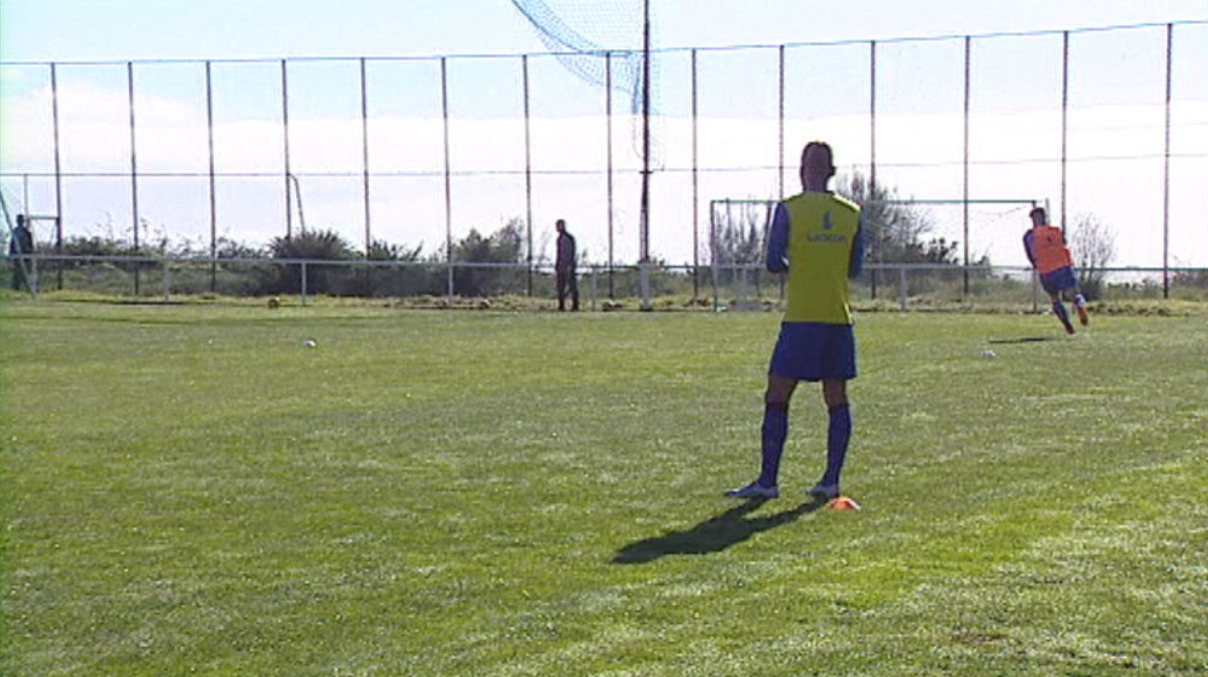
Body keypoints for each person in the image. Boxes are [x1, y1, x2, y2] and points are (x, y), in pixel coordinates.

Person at [726, 141, 865, 501]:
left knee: (777, 395)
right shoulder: (852, 212)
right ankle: (830, 480)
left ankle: (768, 482)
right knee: (836, 398)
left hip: (802, 318)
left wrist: (799, 263)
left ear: (802, 170)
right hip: (838, 318)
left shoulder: (789, 210)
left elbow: (773, 261)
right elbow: (855, 268)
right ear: (833, 171)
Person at [1023, 206, 1089, 335]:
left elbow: (1030, 254)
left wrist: (1036, 264)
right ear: (1045, 218)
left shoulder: (1029, 236)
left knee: (1055, 299)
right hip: (1063, 267)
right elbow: (1064, 243)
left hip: (1046, 271)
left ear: (1033, 220)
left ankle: (1068, 325)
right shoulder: (1056, 231)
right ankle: (1080, 304)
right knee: (1073, 294)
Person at [554, 218, 579, 312]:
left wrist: (569, 265)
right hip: (561, 266)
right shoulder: (560, 238)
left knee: (572, 287)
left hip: (568, 266)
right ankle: (561, 306)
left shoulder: (568, 238)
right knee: (560, 287)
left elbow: (569, 253)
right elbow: (559, 253)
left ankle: (575, 305)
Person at [9, 214, 35, 292]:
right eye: (19, 220)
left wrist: (29, 253)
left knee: (26, 273)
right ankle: (15, 289)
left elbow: (30, 245)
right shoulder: (15, 231)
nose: (20, 222)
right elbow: (12, 244)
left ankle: (28, 290)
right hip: (17, 256)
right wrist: (11, 254)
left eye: (21, 220)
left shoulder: (27, 232)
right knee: (16, 273)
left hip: (25, 256)